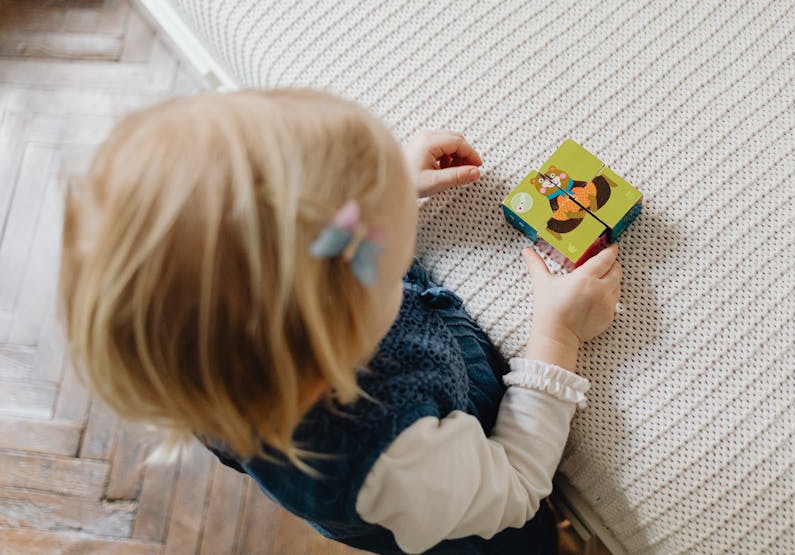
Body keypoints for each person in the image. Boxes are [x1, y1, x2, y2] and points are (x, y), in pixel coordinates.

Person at [59, 89, 622, 554]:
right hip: (472, 510)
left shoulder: (230, 358)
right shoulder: (386, 456)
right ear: (345, 323)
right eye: (361, 220)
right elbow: (515, 484)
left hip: (403, 365)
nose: (379, 213)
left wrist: (388, 184)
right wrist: (557, 335)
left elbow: (301, 249)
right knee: (523, 538)